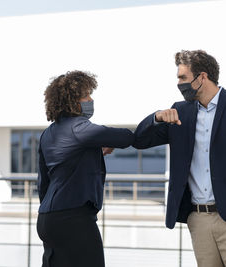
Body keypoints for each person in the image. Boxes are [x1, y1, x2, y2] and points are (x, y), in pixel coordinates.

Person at [133, 50, 226, 267]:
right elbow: (139, 140)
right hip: (198, 218)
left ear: (202, 77)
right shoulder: (180, 111)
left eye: (183, 78)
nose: (179, 84)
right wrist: (156, 117)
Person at [36, 70, 134, 267]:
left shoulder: (48, 133)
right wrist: (156, 120)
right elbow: (125, 137)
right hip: (73, 218)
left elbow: (44, 182)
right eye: (86, 95)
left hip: (48, 218)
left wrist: (96, 151)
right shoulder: (79, 127)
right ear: (72, 101)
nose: (90, 99)